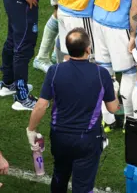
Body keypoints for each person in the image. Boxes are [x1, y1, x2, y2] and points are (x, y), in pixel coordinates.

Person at [26, 28, 119, 193]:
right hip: (87, 139)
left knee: (59, 176)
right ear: (88, 49)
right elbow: (112, 108)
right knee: (82, 187)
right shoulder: (101, 74)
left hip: (60, 137)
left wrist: (31, 129)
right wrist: (115, 92)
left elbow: (41, 105)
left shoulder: (54, 71)